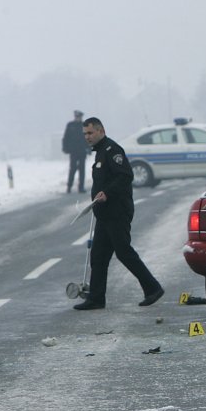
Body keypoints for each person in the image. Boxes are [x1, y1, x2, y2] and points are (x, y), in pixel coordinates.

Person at [73, 116, 164, 310]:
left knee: (124, 252)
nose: (87, 137)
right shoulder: (100, 152)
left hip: (117, 212)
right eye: (85, 134)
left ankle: (153, 288)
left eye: (90, 133)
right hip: (104, 214)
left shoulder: (112, 150)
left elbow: (125, 176)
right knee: (98, 256)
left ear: (101, 131)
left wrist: (108, 193)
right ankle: (96, 298)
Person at [63, 109, 88, 193]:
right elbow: (66, 138)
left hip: (82, 151)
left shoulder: (85, 126)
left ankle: (81, 187)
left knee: (82, 170)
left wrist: (89, 149)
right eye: (77, 117)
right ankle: (69, 186)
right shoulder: (70, 125)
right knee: (72, 169)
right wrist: (65, 148)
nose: (78, 118)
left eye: (79, 117)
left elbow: (88, 138)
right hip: (73, 151)